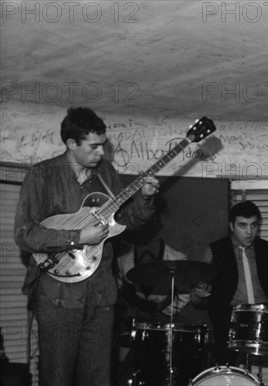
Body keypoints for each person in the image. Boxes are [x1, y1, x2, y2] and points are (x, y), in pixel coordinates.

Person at [14, 106, 159, 386]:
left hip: (101, 296)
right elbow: (24, 235)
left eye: (103, 146)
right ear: (71, 144)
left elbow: (127, 223)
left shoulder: (107, 174)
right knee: (57, 378)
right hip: (58, 296)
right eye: (94, 147)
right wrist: (78, 237)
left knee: (98, 378)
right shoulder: (42, 175)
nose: (101, 153)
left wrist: (144, 198)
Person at [203, 200, 268, 365]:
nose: (249, 232)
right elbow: (199, 297)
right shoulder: (214, 250)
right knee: (224, 360)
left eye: (254, 225)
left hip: (263, 314)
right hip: (228, 317)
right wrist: (200, 293)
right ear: (231, 226)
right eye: (243, 226)